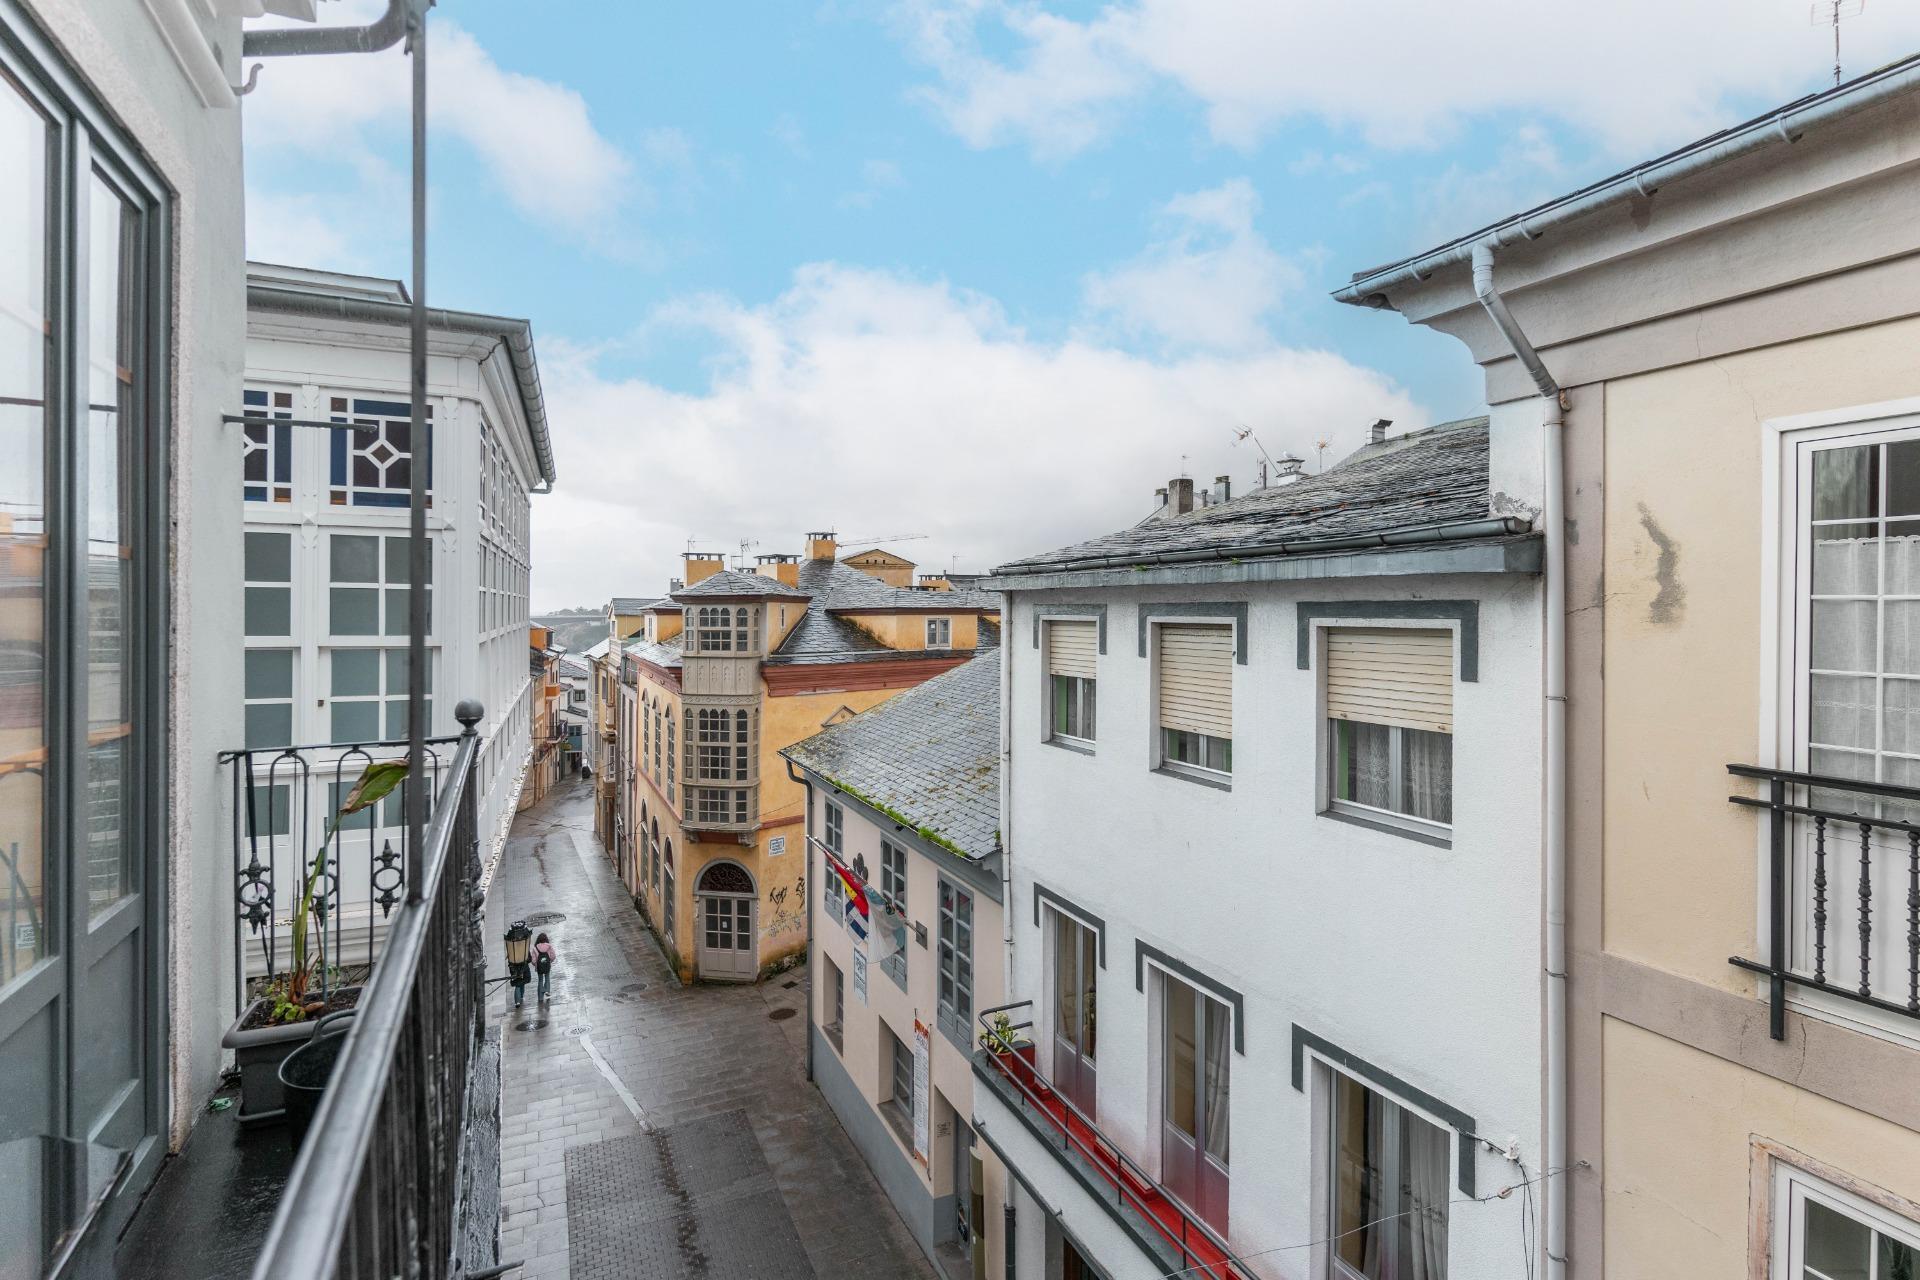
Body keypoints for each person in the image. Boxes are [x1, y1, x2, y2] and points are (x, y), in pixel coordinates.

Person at [534, 932, 555, 1003]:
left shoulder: (535, 947)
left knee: (540, 980)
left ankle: (540, 998)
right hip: (547, 965)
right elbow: (553, 956)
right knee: (547, 978)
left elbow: (533, 960)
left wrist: (536, 964)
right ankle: (547, 990)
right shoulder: (549, 946)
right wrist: (549, 961)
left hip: (539, 967)